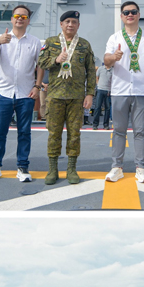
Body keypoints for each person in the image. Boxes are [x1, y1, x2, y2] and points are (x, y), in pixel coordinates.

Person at [0, 4, 44, 184]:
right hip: (4, 93)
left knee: (24, 133)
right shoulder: (1, 38)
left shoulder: (35, 42)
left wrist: (37, 87)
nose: (20, 19)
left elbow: (40, 65)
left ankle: (22, 167)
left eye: (23, 16)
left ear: (28, 21)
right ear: (12, 19)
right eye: (17, 16)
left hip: (26, 94)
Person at [101, 0, 144, 184]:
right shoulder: (115, 38)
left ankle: (141, 168)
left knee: (140, 131)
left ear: (139, 15)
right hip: (120, 90)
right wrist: (114, 57)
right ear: (121, 16)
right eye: (126, 12)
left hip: (142, 90)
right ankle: (116, 167)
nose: (130, 15)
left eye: (133, 11)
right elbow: (106, 61)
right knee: (118, 130)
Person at [35, 10, 96, 185]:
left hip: (76, 97)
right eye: (67, 21)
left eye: (74, 22)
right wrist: (56, 59)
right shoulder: (51, 42)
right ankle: (53, 169)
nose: (70, 24)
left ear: (78, 25)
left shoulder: (84, 45)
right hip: (55, 95)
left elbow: (91, 71)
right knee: (54, 133)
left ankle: (71, 169)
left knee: (74, 134)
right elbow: (41, 63)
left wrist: (90, 93)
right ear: (61, 24)